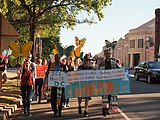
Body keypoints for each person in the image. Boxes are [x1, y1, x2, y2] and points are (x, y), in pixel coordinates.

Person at [98, 47, 117, 117]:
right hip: (104, 83)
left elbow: (118, 70)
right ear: (104, 54)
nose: (107, 54)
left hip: (112, 83)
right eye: (106, 53)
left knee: (110, 97)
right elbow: (98, 72)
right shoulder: (102, 63)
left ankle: (107, 109)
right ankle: (104, 110)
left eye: (108, 53)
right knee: (104, 97)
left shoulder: (113, 62)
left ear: (110, 54)